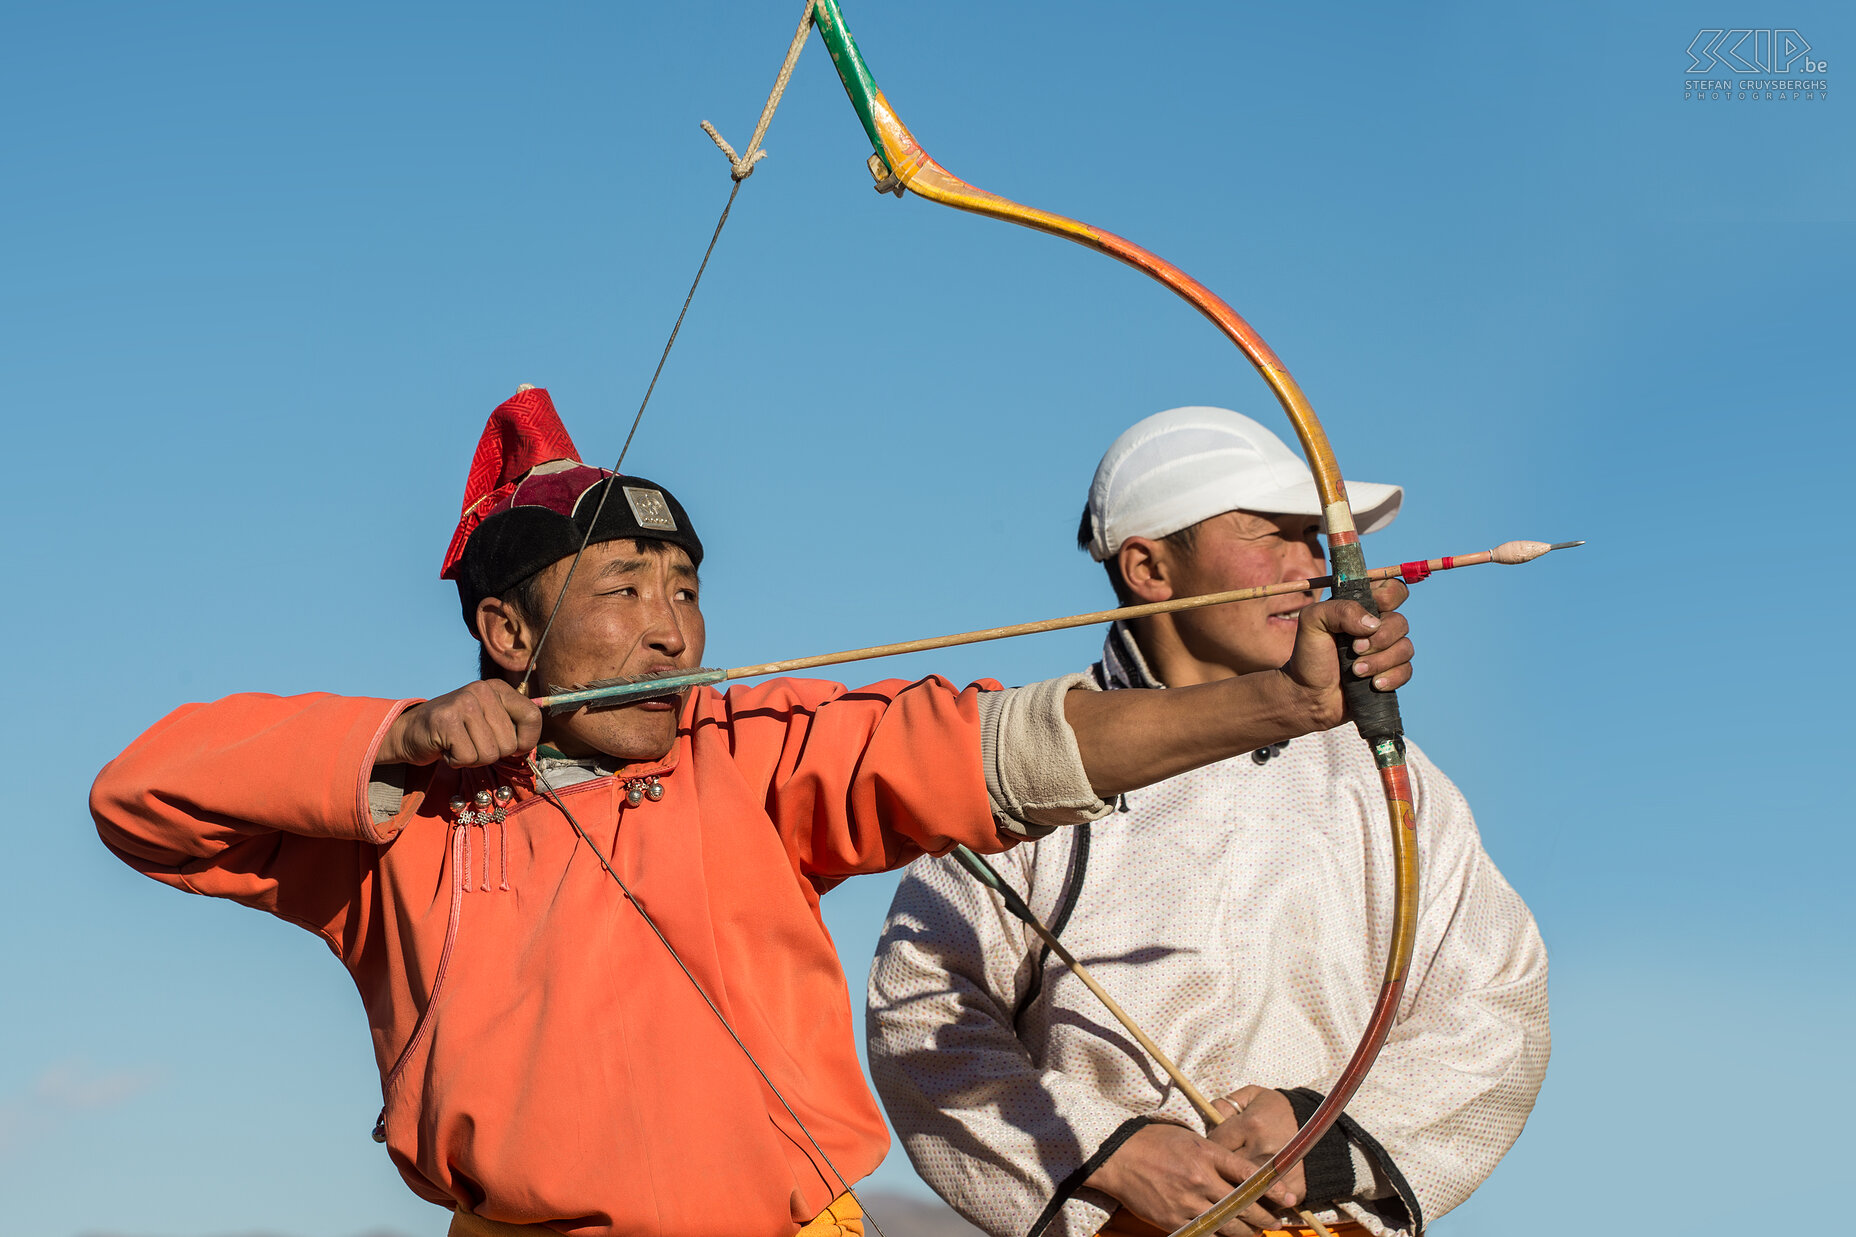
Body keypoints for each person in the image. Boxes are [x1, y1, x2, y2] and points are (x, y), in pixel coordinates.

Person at [90, 389, 1418, 1237]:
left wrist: (1277, 709)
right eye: (623, 588)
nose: (674, 623)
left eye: (686, 585)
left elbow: (996, 747)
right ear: (507, 630)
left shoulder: (757, 754)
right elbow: (140, 794)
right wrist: (400, 736)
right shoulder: (403, 820)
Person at [866, 407, 1548, 1237]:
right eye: (1274, 534)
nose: (1311, 568)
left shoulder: (1386, 771)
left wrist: (1321, 1133)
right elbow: (923, 1002)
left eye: (1314, 538)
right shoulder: (1031, 764)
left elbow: (1495, 1002)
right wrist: (1109, 1149)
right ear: (1151, 567)